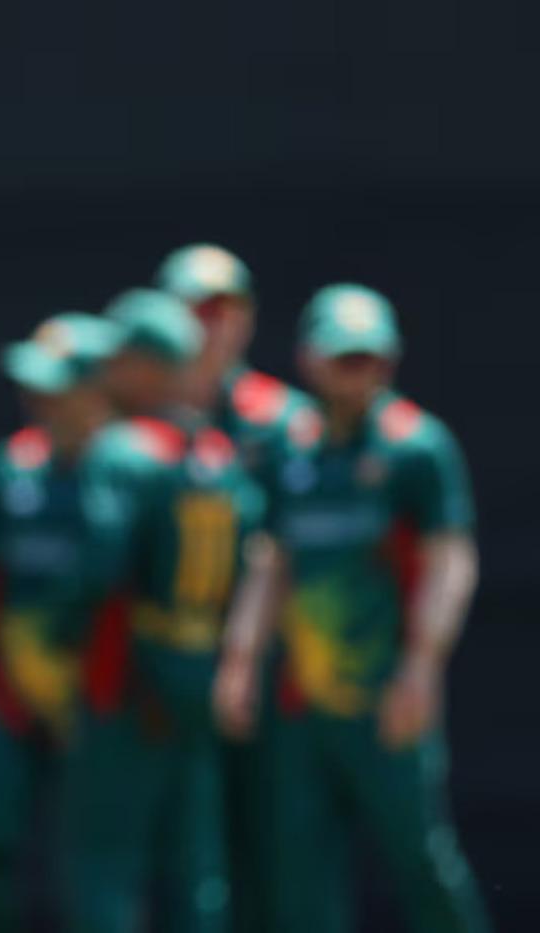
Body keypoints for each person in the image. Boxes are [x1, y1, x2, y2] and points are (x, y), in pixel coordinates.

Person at [213, 285, 490, 933]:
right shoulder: (292, 447)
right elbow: (271, 561)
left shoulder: (415, 447)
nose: (358, 372)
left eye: (370, 358)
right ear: (310, 358)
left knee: (421, 858)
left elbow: (451, 561)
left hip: (386, 696)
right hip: (303, 704)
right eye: (344, 357)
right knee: (300, 870)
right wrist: (240, 660)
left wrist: (420, 667)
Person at [70, 289, 257, 933]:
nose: (108, 370)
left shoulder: (121, 451)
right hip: (202, 669)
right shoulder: (218, 454)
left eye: (120, 356)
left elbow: (98, 571)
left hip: (135, 678)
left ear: (151, 366)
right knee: (195, 864)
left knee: (107, 860)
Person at [154, 244, 314, 931]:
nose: (209, 327)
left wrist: (245, 658)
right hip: (168, 665)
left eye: (223, 310)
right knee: (184, 850)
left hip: (273, 672)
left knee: (274, 838)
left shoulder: (280, 418)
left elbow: (279, 546)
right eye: (194, 310)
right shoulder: (144, 420)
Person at [0, 311, 121, 931]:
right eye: (35, 383)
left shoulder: (136, 472)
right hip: (11, 693)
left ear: (102, 388)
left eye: (58, 384)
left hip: (105, 697)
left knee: (97, 861)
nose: (39, 398)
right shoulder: (10, 468)